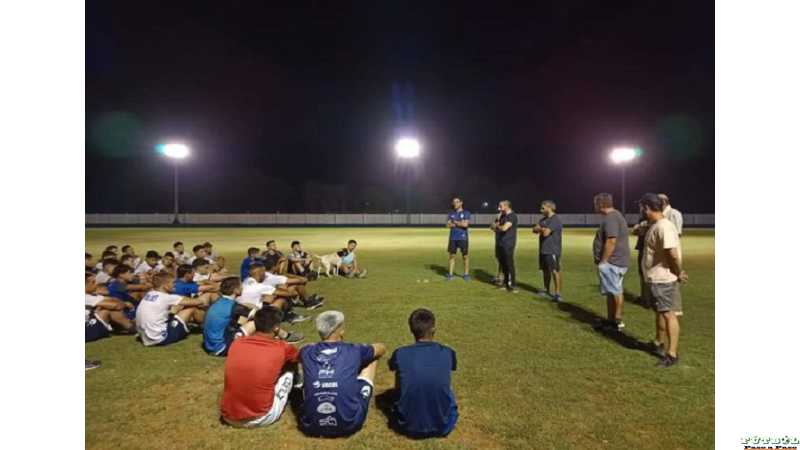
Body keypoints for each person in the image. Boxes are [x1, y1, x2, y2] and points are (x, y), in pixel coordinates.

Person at [299, 311, 386, 437]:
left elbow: (303, 347)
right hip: (348, 423)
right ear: (340, 330)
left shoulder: (306, 351)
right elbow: (381, 348)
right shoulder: (355, 350)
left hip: (311, 424)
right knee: (372, 358)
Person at [220, 307, 300, 428]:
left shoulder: (236, 343)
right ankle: (298, 389)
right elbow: (297, 358)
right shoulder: (282, 347)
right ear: (276, 327)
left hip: (229, 416)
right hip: (261, 417)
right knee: (290, 370)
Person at [388, 309, 458, 438]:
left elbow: (391, 366)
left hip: (406, 425)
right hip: (442, 426)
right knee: (449, 390)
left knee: (401, 373)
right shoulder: (448, 352)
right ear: (434, 329)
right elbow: (452, 367)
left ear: (411, 330)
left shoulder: (400, 353)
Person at [639, 193, 688, 368]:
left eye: (641, 207)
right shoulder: (658, 225)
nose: (640, 210)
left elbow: (671, 253)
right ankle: (658, 343)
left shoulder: (664, 226)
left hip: (663, 279)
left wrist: (678, 272)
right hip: (657, 278)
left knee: (668, 314)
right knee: (661, 312)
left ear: (646, 207)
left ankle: (671, 354)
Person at [135, 272, 209, 347]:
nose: (175, 285)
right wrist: (205, 297)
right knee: (191, 309)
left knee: (177, 308)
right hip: (160, 338)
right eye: (173, 283)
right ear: (165, 285)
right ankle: (209, 327)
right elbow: (198, 302)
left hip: (146, 337)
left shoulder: (149, 294)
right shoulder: (167, 297)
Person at [592, 193, 631, 331]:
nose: (594, 206)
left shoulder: (611, 218)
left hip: (613, 262)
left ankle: (617, 321)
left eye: (595, 204)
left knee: (615, 291)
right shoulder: (614, 216)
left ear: (601, 204)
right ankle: (611, 320)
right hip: (615, 261)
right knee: (612, 291)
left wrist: (603, 261)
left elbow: (611, 240)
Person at [203, 277, 250, 356]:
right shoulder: (234, 306)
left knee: (241, 320)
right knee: (253, 322)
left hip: (209, 346)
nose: (242, 288)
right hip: (221, 348)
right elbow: (260, 316)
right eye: (241, 286)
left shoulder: (217, 302)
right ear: (235, 290)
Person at [85, 273, 135, 341]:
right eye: (129, 272)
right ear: (121, 274)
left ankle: (128, 325)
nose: (132, 274)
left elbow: (113, 298)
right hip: (88, 327)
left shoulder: (114, 285)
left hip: (123, 306)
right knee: (109, 309)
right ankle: (131, 326)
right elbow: (135, 288)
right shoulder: (115, 285)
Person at [533, 200, 563, 302]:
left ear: (549, 208)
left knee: (555, 271)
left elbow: (545, 233)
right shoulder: (543, 219)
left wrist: (540, 228)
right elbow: (534, 230)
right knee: (545, 270)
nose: (540, 210)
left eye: (543, 208)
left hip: (552, 250)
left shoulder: (555, 219)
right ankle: (546, 289)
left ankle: (557, 294)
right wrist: (540, 228)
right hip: (543, 249)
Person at [490, 200, 518, 292]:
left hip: (508, 243)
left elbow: (504, 228)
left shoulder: (512, 216)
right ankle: (505, 284)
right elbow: (492, 226)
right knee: (503, 264)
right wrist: (497, 224)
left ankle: (513, 285)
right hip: (500, 243)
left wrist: (497, 226)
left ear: (507, 206)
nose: (499, 208)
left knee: (509, 264)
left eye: (500, 206)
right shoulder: (501, 215)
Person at [446, 197, 471, 281]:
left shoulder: (466, 213)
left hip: (463, 237)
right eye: (454, 202)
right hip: (453, 238)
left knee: (465, 256)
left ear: (461, 203)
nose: (455, 204)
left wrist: (455, 222)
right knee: (452, 256)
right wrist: (460, 223)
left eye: (457, 202)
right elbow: (448, 225)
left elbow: (465, 225)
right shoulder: (451, 213)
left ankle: (466, 274)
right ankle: (450, 274)